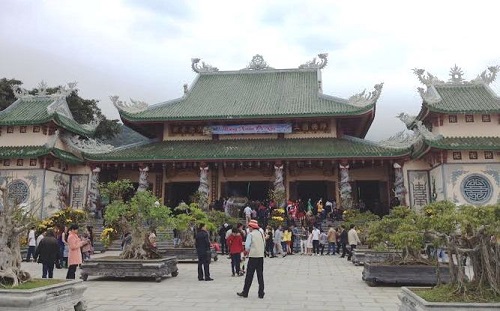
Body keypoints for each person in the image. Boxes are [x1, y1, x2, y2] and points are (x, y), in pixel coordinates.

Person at [237, 219, 265, 299]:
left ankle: (245, 292)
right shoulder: (261, 233)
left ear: (251, 227)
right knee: (260, 275)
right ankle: (261, 293)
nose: (248, 228)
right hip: (260, 256)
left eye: (249, 226)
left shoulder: (251, 234)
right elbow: (264, 244)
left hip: (253, 257)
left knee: (249, 275)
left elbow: (247, 246)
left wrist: (247, 252)